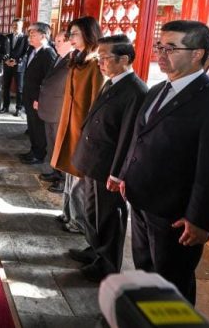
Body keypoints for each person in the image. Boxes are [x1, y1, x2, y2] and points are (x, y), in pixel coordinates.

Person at [117, 20, 209, 304]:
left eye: (171, 48)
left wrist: (201, 219)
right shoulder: (157, 90)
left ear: (197, 53)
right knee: (145, 270)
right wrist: (127, 174)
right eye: (159, 46)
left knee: (172, 281)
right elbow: (140, 138)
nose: (161, 54)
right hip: (142, 199)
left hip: (176, 213)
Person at [70, 35, 148, 282]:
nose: (100, 63)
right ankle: (95, 249)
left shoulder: (135, 90)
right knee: (92, 211)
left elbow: (128, 137)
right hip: (94, 160)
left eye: (105, 58)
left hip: (108, 165)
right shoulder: (113, 82)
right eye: (99, 58)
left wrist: (117, 173)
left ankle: (107, 264)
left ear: (124, 59)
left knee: (108, 215)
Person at [50, 16, 103, 234]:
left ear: (88, 34)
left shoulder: (96, 63)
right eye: (70, 34)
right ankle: (68, 212)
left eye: (74, 34)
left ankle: (79, 220)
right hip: (69, 122)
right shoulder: (77, 57)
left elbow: (96, 100)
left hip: (82, 126)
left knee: (79, 175)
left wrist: (88, 130)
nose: (70, 38)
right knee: (69, 172)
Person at [35, 30, 74, 188]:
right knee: (52, 143)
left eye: (59, 41)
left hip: (59, 110)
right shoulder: (59, 58)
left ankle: (63, 180)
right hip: (50, 108)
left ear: (70, 42)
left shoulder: (72, 61)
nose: (55, 44)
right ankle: (55, 172)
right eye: (55, 41)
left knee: (61, 145)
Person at [19, 23, 57, 165]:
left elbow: (49, 79)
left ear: (43, 36)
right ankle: (33, 150)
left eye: (33, 34)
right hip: (29, 95)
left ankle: (39, 154)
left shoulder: (48, 53)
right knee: (32, 126)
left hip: (38, 98)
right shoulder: (33, 50)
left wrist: (40, 98)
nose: (30, 37)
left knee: (38, 127)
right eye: (29, 34)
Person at [2, 18, 28, 116]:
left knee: (19, 88)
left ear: (22, 26)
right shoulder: (7, 37)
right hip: (7, 65)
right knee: (6, 87)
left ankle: (19, 108)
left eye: (17, 25)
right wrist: (6, 60)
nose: (15, 27)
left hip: (19, 66)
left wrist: (17, 61)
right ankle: (5, 106)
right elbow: (3, 51)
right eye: (13, 25)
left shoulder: (26, 38)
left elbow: (26, 53)